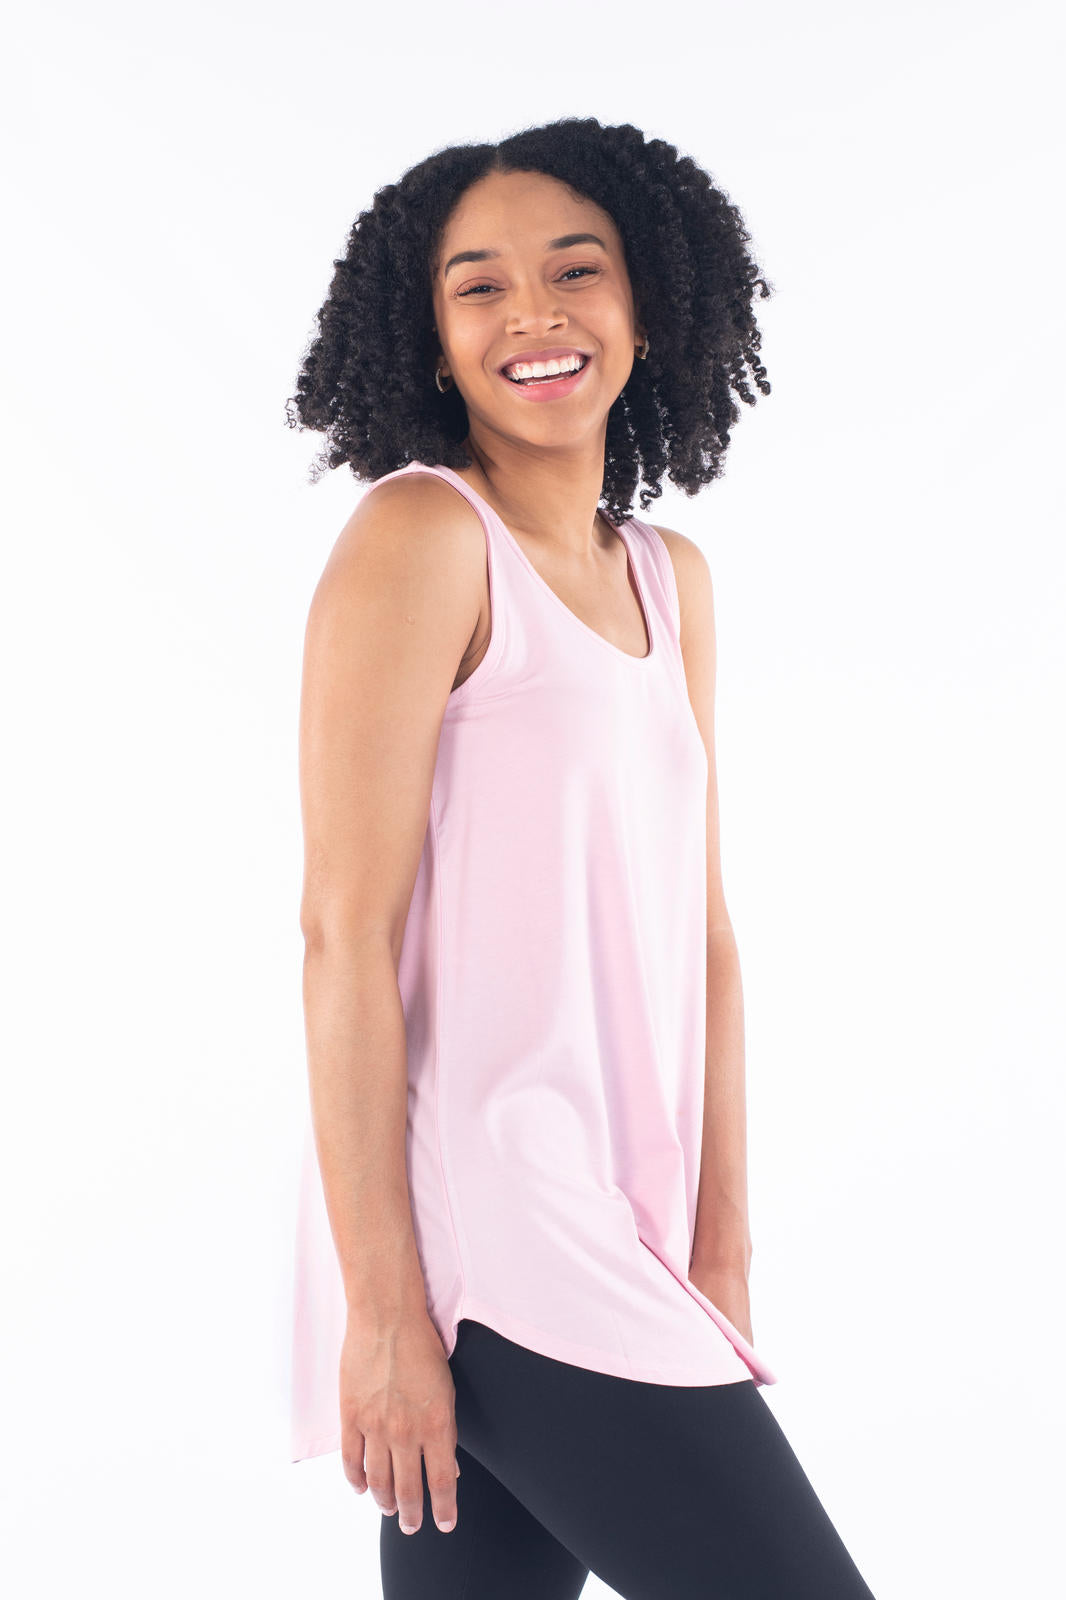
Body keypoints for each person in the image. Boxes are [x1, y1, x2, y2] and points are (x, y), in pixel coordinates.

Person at [286, 117, 877, 1599]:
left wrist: (721, 1247)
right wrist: (383, 1311)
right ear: (431, 341)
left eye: (574, 270)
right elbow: (342, 935)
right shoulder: (422, 536)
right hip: (499, 1234)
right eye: (477, 287)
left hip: (626, 1224)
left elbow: (704, 937)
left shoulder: (670, 580)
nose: (531, 315)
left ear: (646, 305)